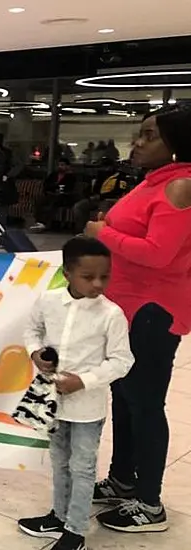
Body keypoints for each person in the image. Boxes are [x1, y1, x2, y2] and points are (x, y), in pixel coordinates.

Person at [84, 105, 191, 533]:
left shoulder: (181, 185)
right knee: (125, 400)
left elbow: (158, 254)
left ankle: (150, 502)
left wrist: (101, 234)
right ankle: (123, 479)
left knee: (145, 404)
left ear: (176, 144)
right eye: (140, 133)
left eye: (150, 135)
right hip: (127, 309)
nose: (138, 142)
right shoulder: (155, 183)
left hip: (153, 311)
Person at [17, 236, 133, 550]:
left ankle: (76, 530)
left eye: (104, 276)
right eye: (88, 276)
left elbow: (123, 361)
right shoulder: (48, 300)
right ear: (67, 273)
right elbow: (31, 330)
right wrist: (34, 353)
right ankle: (58, 515)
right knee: (59, 461)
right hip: (53, 403)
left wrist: (84, 381)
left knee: (82, 468)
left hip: (87, 408)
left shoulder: (112, 315)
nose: (98, 283)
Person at [29, 158, 80, 233]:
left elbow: (69, 188)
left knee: (53, 202)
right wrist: (54, 187)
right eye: (59, 165)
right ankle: (38, 222)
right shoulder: (53, 174)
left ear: (68, 166)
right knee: (39, 200)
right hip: (51, 194)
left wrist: (57, 188)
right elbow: (46, 185)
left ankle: (44, 224)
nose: (60, 167)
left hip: (64, 197)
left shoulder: (71, 177)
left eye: (62, 165)